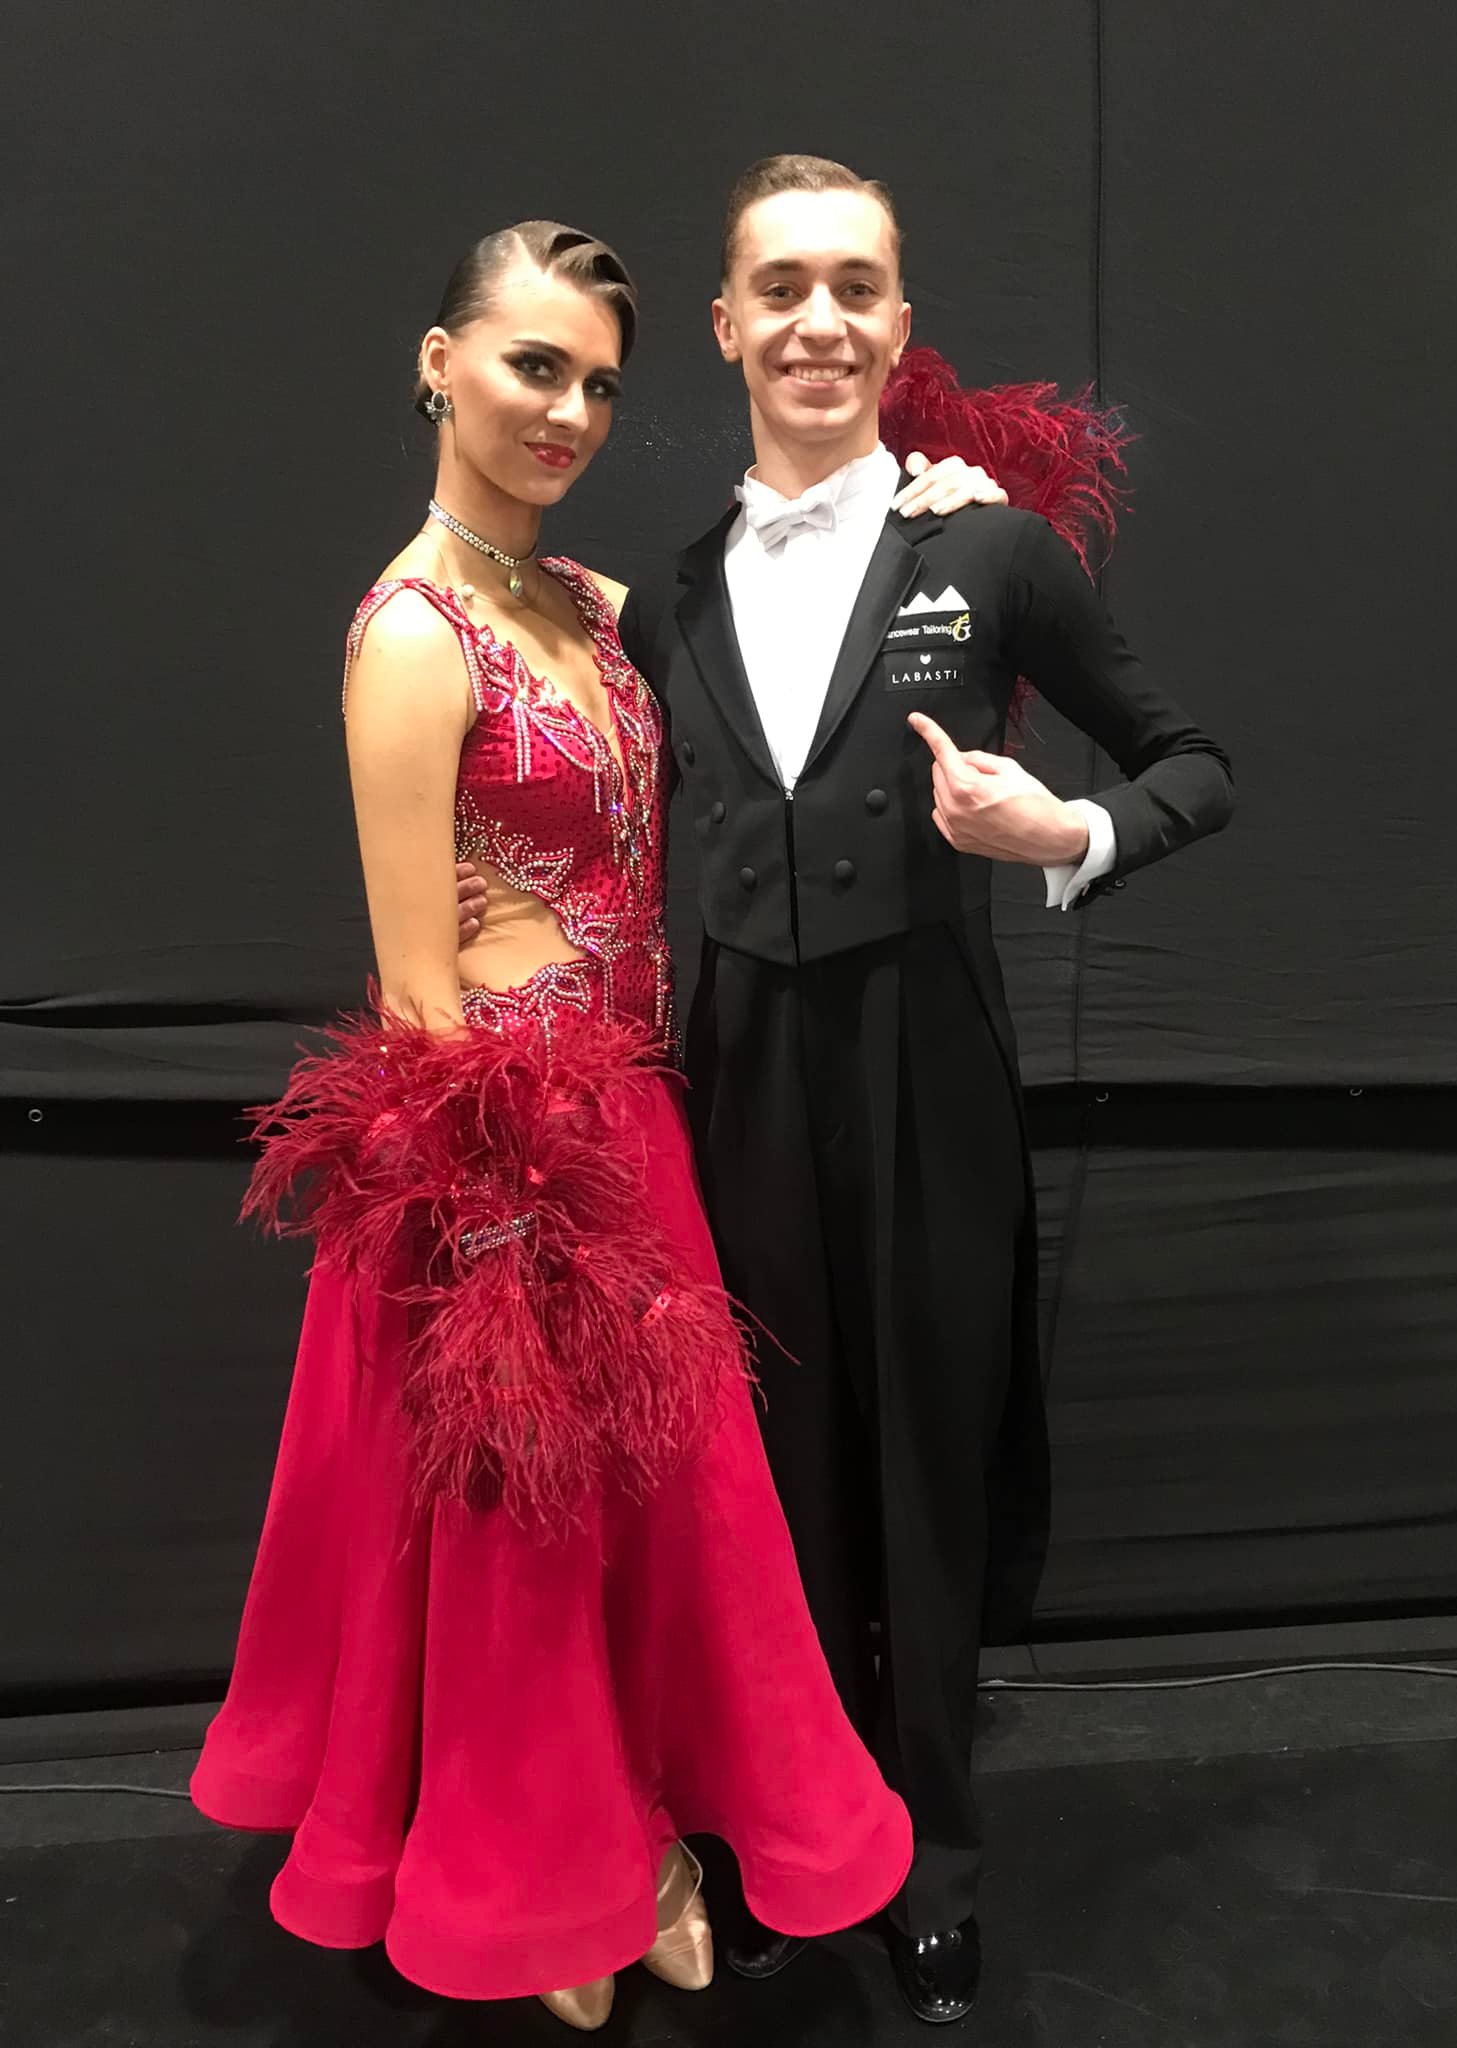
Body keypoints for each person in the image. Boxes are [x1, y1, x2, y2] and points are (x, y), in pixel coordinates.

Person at [190, 217, 998, 2030]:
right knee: (526, 1535)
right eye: (534, 366)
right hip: (504, 1164)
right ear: (440, 365)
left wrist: (925, 496)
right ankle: (558, 1869)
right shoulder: (411, 637)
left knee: (661, 1520)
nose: (568, 413)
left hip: (642, 1119)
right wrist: (503, 1236)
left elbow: (793, 632)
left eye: (601, 386)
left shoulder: (586, 602)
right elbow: (416, 990)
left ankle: (650, 1823)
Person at [562, 154, 1236, 2025]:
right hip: (736, 1084)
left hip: (928, 1072)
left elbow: (1196, 763)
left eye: (855, 286)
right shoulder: (670, 597)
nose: (820, 321)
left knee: (927, 1467)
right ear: (725, 325)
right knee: (778, 1475)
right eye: (782, 287)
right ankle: (803, 1833)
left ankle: (932, 1849)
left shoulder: (991, 549)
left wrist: (1068, 829)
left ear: (900, 323)